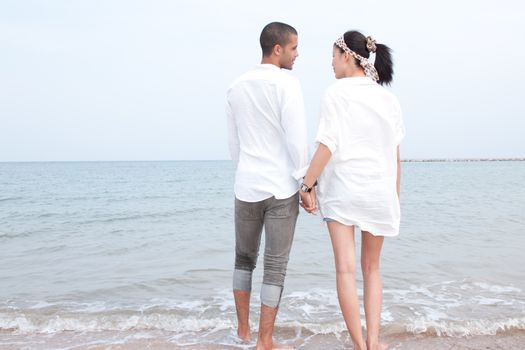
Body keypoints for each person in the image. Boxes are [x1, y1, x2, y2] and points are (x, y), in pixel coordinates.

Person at [299, 30, 405, 350]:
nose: (330, 63)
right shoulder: (388, 98)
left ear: (347, 56)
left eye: (333, 56)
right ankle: (374, 342)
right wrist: (394, 197)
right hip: (379, 192)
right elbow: (395, 154)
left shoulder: (336, 93)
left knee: (346, 270)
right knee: (372, 269)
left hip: (344, 191)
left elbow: (327, 143)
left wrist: (307, 184)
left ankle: (359, 345)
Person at [226, 22, 308, 350]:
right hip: (280, 189)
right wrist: (307, 183)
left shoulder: (235, 86)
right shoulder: (288, 85)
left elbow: (234, 144)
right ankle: (265, 341)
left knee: (243, 260)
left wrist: (245, 171)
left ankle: (243, 332)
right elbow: (296, 140)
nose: (297, 54)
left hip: (246, 183)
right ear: (277, 49)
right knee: (275, 266)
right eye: (294, 48)